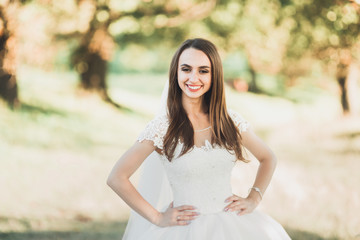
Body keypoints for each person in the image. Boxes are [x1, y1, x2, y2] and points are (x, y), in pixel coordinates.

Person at [107, 38, 291, 239]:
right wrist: (157, 217)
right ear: (176, 72)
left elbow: (268, 158)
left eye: (203, 71)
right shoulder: (162, 128)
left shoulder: (230, 121)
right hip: (183, 229)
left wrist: (254, 197)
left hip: (232, 225)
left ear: (214, 76)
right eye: (186, 69)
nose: (193, 78)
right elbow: (117, 178)